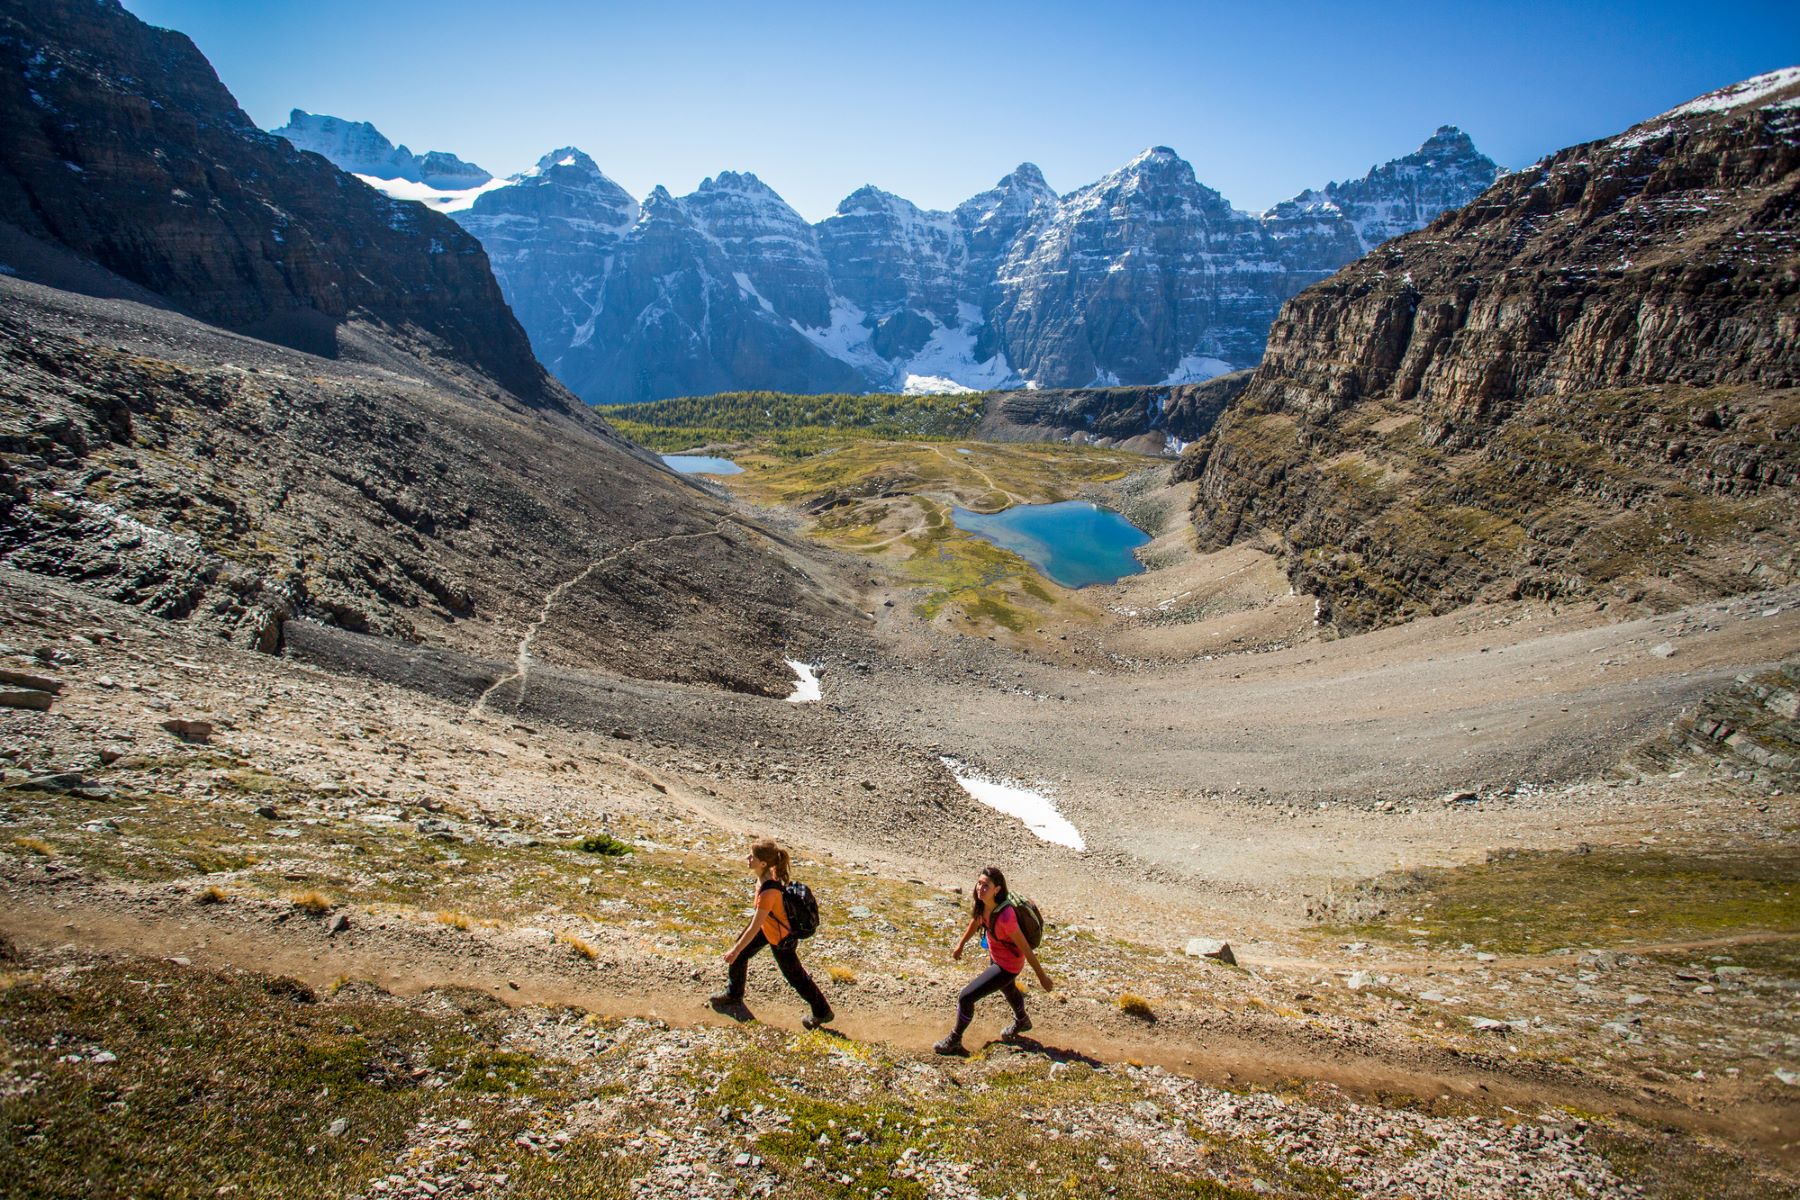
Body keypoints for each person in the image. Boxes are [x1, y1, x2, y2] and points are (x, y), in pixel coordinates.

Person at [711, 837, 834, 1029]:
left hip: (780, 938)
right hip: (769, 930)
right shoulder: (769, 874)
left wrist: (734, 950)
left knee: (795, 977)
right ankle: (733, 995)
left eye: (752, 856)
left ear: (763, 863)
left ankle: (822, 1012)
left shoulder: (769, 892)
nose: (748, 858)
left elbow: (754, 926)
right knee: (742, 955)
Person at [935, 865, 1052, 1055]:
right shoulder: (984, 905)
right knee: (1008, 988)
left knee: (966, 997)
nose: (980, 888)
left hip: (1007, 965)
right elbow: (976, 921)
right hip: (997, 957)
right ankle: (1022, 1020)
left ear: (997, 889)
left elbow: (1026, 950)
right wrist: (961, 944)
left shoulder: (1006, 917)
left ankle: (954, 1040)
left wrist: (1042, 978)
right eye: (979, 883)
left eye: (985, 885)